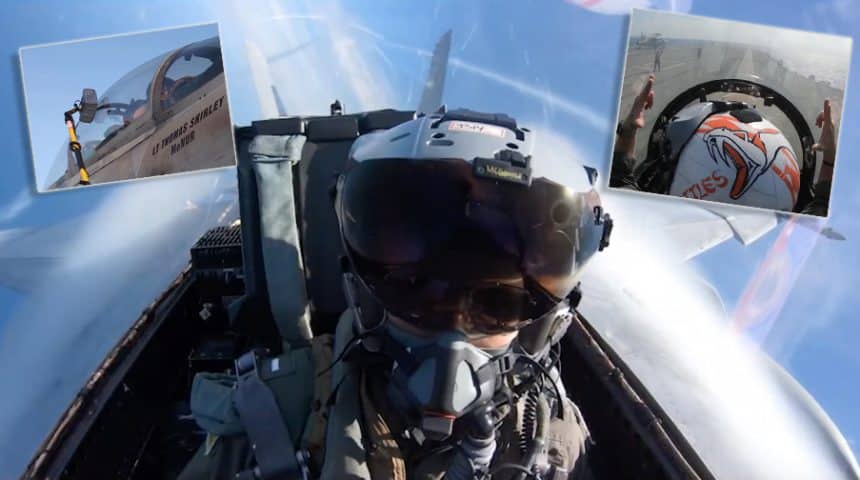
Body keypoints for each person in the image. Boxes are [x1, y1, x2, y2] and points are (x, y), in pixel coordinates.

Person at [178, 110, 612, 479]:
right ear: (362, 290)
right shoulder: (273, 416)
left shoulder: (555, 444)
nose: (454, 329)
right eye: (417, 284)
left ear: (546, 320)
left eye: (497, 300)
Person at [611, 74, 836, 216]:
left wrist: (629, 129)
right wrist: (830, 156)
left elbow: (619, 179)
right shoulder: (804, 240)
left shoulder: (631, 222)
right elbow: (822, 202)